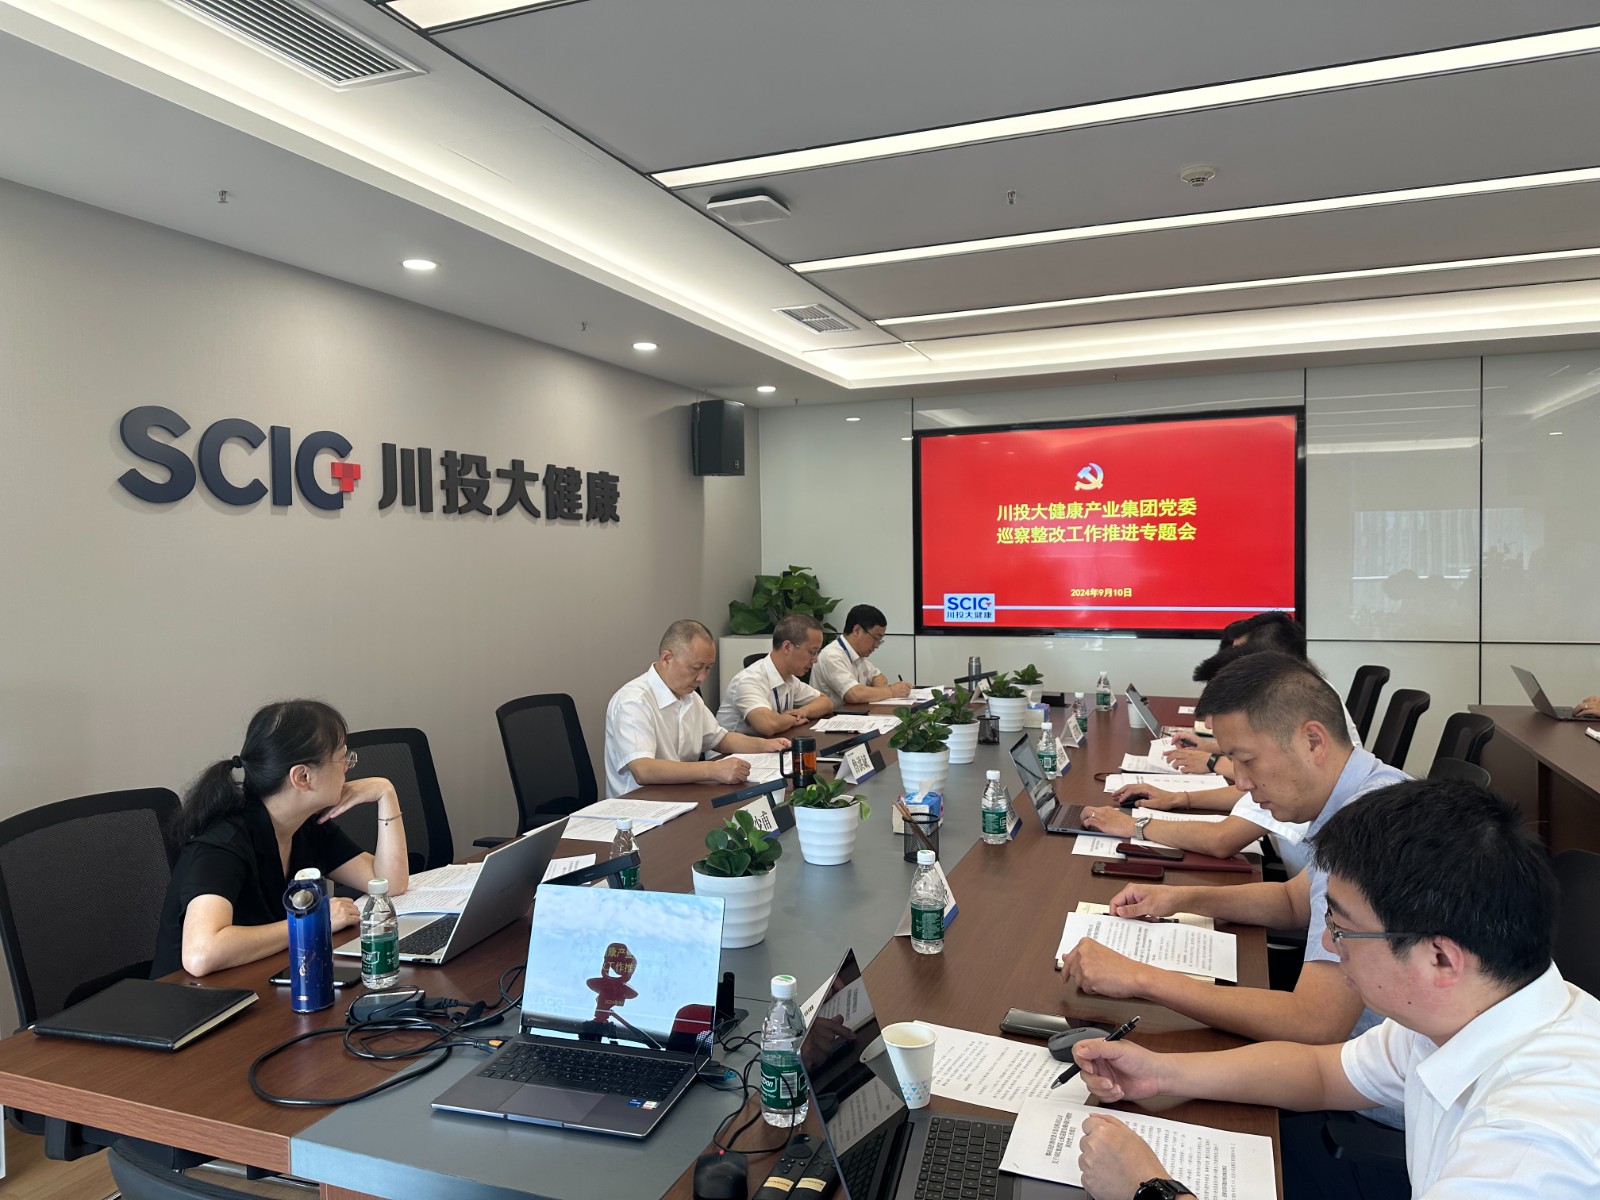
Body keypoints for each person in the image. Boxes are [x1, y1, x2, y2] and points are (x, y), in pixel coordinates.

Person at [1069, 779, 1600, 1200]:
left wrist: (1149, 1189)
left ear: (1440, 957)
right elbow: (1322, 1073)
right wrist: (1162, 1073)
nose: (1326, 941)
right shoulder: (1464, 1011)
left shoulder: (1532, 1146)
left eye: (1343, 928)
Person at [1061, 652, 1409, 1055]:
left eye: (1246, 761)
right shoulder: (1367, 794)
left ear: (1312, 741)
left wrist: (1140, 978)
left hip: (1364, 1075)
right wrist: (1179, 898)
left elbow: (1316, 1023)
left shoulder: (1374, 833)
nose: (1240, 782)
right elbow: (1293, 902)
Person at [151, 699, 408, 979]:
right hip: (192, 997)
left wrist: (385, 792)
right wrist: (311, 922)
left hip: (260, 979)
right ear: (303, 776)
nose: (348, 767)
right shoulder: (223, 843)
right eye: (342, 758)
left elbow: (389, 883)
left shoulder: (305, 825)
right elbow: (201, 954)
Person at [1086, 618, 1361, 869]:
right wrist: (1182, 796)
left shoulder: (1296, 725)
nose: (1241, 782)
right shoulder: (1307, 713)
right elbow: (1291, 896)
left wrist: (1135, 825)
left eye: (1246, 759)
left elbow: (1222, 839)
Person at [604, 618, 791, 796]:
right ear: (667, 658)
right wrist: (712, 769)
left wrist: (765, 745)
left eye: (708, 668)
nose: (702, 677)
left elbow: (720, 739)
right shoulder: (633, 701)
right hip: (638, 806)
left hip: (680, 795)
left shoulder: (690, 697)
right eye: (696, 668)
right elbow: (643, 769)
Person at [716, 612, 833, 735]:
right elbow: (767, 725)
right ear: (787, 647)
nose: (815, 660)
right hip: (735, 747)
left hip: (767, 745)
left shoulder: (789, 679)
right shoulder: (749, 680)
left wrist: (803, 711)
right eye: (812, 652)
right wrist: (793, 719)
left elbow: (825, 702)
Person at [810, 603, 912, 707]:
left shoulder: (857, 655)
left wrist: (876, 692)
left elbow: (879, 678)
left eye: (880, 640)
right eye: (876, 638)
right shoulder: (832, 656)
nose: (876, 645)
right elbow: (854, 694)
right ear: (857, 630)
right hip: (832, 716)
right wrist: (891, 691)